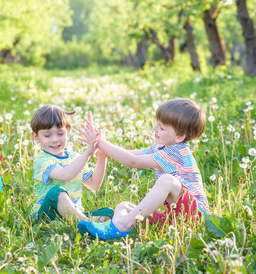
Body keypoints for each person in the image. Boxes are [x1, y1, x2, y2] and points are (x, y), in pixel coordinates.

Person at [78, 98, 209, 240]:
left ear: (180, 136)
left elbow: (132, 161)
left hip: (196, 216)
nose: (154, 128)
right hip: (174, 218)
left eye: (162, 127)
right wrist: (102, 148)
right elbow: (129, 154)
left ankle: (122, 225)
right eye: (156, 122)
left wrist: (100, 143)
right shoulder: (161, 147)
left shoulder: (177, 151)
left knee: (167, 181)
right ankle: (114, 231)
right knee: (124, 207)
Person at [30, 105, 113, 225]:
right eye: (47, 135)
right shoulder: (41, 160)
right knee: (57, 193)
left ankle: (85, 222)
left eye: (60, 134)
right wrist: (88, 153)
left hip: (74, 214)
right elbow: (65, 175)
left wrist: (101, 157)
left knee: (108, 213)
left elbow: (94, 185)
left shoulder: (75, 158)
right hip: (47, 215)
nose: (55, 140)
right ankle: (89, 225)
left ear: (68, 132)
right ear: (36, 137)